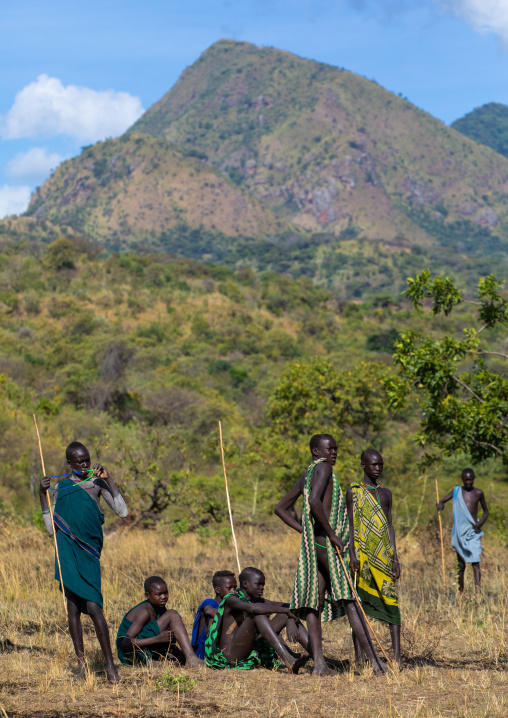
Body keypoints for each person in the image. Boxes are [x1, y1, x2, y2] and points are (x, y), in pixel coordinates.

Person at [275, 433, 386, 675]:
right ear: (317, 451)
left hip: (316, 543)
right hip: (326, 543)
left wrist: (305, 530)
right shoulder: (323, 468)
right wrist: (331, 533)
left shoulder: (308, 473)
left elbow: (280, 508)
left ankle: (320, 666)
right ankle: (376, 664)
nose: (334, 453)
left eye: (336, 449)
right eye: (330, 448)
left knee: (315, 602)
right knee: (351, 601)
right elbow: (314, 501)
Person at [39, 441, 128, 682]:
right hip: (67, 552)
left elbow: (123, 512)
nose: (86, 465)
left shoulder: (96, 483)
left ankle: (110, 666)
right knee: (72, 608)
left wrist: (109, 480)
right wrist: (42, 494)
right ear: (69, 463)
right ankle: (82, 667)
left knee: (95, 607)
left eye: (87, 460)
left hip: (89, 553)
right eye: (80, 462)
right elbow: (50, 529)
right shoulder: (61, 487)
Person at [345, 449, 401, 665]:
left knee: (391, 603)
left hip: (384, 558)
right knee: (360, 606)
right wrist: (352, 554)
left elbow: (390, 525)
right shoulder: (354, 492)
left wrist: (395, 557)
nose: (378, 468)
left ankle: (396, 658)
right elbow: (351, 524)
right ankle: (360, 658)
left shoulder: (386, 493)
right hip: (363, 558)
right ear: (363, 465)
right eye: (374, 465)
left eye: (381, 465)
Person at [205, 566, 309, 672]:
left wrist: (290, 617)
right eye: (258, 584)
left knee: (284, 614)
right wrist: (286, 611)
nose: (262, 587)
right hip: (230, 654)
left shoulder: (255, 600)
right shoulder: (231, 599)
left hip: (247, 649)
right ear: (245, 584)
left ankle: (318, 656)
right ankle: (288, 659)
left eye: (263, 584)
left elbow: (286, 606)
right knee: (257, 614)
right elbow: (253, 608)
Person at [116, 576, 203, 667]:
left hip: (145, 648)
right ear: (147, 595)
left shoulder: (160, 609)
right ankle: (190, 659)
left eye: (166, 593)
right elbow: (126, 643)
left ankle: (188, 659)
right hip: (130, 653)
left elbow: (166, 640)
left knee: (178, 660)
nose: (164, 597)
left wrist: (179, 653)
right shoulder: (144, 612)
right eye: (159, 594)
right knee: (172, 614)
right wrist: (157, 639)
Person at [437, 468, 489, 592]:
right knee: (461, 565)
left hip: (473, 532)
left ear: (474, 479)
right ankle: (461, 592)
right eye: (466, 479)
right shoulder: (457, 491)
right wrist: (440, 505)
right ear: (462, 479)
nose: (468, 482)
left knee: (475, 562)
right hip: (459, 532)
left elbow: (486, 512)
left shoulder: (479, 493)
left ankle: (477, 593)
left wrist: (480, 523)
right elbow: (442, 501)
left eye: (470, 479)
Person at [191, 570, 236, 659]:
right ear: (217, 589)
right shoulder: (210, 602)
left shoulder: (231, 606)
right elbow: (209, 611)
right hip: (203, 650)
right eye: (229, 588)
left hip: (223, 647)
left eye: (235, 588)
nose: (234, 591)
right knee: (212, 621)